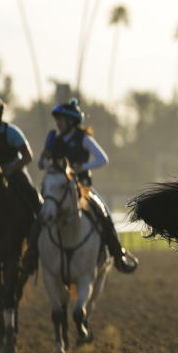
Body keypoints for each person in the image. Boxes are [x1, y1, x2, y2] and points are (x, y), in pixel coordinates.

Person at [22, 99, 138, 274]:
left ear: (71, 121)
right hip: (59, 190)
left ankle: (118, 255)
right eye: (57, 120)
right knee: (40, 219)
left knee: (104, 214)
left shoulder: (84, 139)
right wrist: (44, 156)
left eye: (61, 120)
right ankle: (30, 258)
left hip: (83, 189)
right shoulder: (55, 140)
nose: (58, 123)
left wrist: (83, 167)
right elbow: (42, 165)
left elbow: (102, 159)